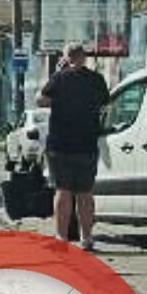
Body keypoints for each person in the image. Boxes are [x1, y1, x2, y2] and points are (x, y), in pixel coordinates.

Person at [38, 42, 110, 251]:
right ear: (84, 57)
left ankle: (61, 237)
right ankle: (86, 237)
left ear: (67, 57)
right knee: (85, 193)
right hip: (87, 144)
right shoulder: (97, 79)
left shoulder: (59, 78)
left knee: (63, 191)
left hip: (60, 144)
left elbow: (42, 100)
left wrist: (57, 78)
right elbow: (106, 105)